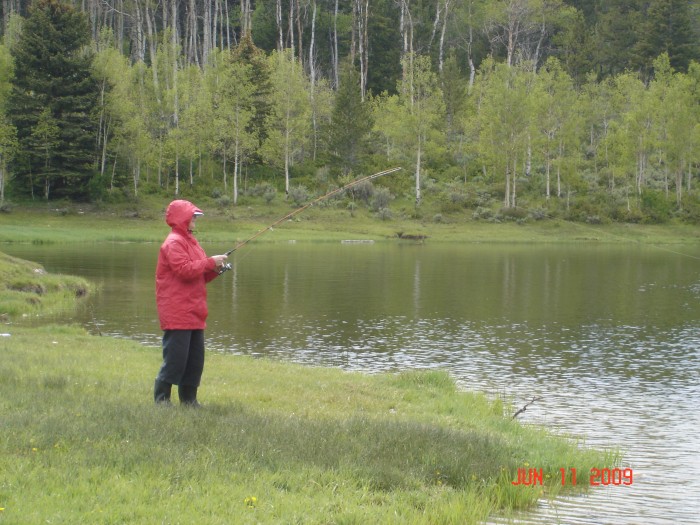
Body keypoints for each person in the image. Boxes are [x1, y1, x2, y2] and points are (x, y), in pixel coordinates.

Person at [153, 199, 228, 406]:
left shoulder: (191, 242)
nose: (195, 220)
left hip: (195, 310)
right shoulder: (173, 243)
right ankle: (162, 400)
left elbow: (200, 275)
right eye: (193, 217)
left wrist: (216, 269)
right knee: (176, 360)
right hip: (177, 311)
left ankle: (189, 401)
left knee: (195, 361)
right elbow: (184, 271)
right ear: (182, 218)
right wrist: (210, 262)